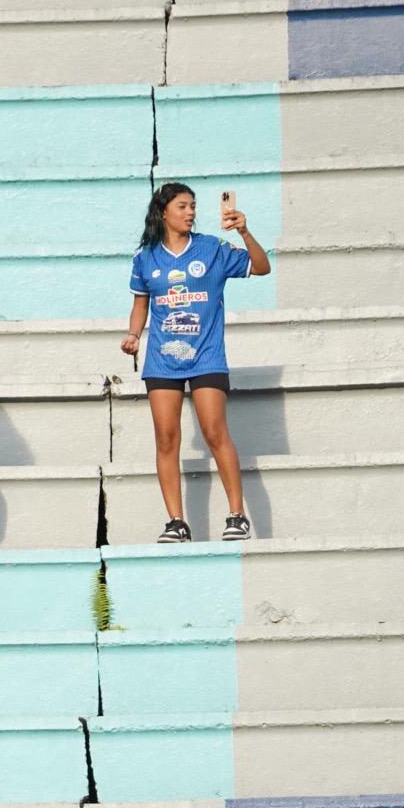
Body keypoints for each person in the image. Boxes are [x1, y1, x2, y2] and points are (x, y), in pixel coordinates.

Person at [120, 182, 272, 544]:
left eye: (193, 207)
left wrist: (244, 231)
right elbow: (141, 304)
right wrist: (133, 335)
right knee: (166, 439)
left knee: (215, 431)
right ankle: (176, 522)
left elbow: (262, 267)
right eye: (183, 206)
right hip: (161, 361)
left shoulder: (211, 248)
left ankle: (237, 515)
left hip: (206, 356)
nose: (190, 212)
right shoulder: (145, 258)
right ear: (163, 212)